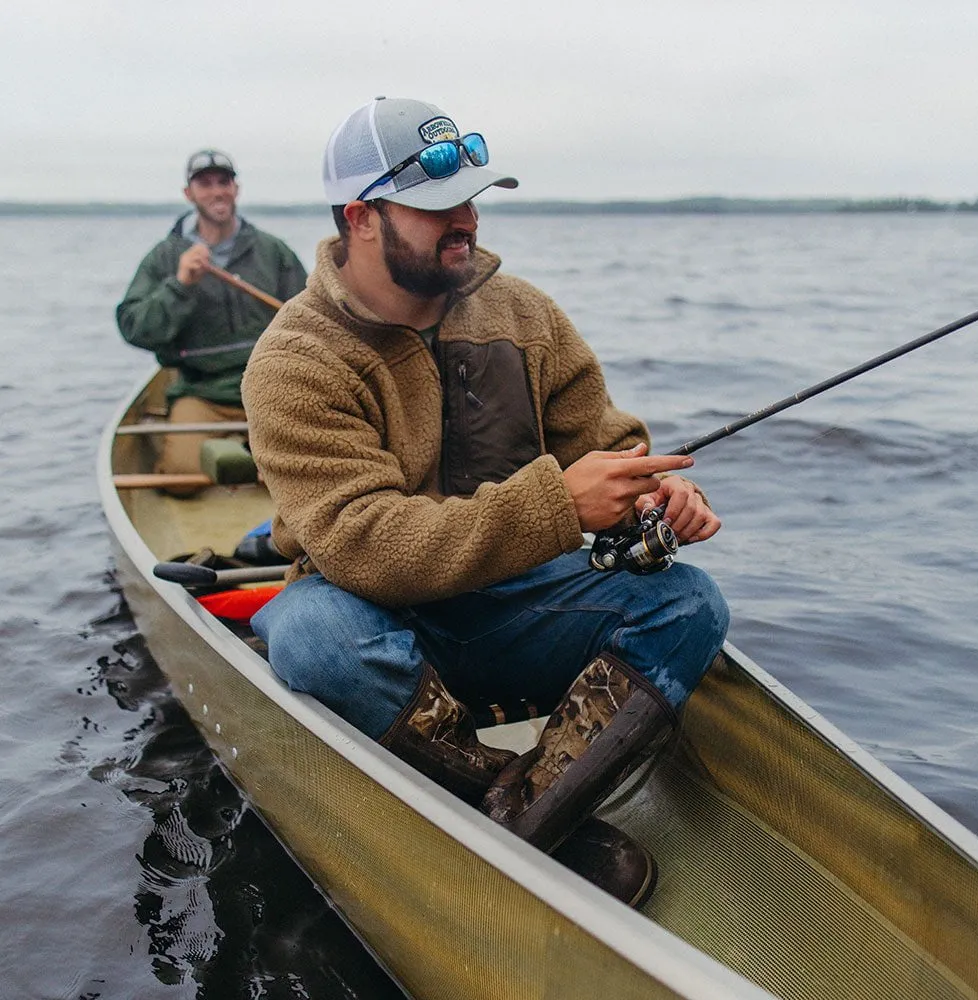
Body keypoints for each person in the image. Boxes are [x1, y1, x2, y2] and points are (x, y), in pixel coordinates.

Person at [241, 97, 730, 908]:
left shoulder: (526, 314)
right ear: (361, 217)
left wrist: (660, 498)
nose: (465, 219)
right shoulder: (293, 360)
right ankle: (488, 796)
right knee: (313, 637)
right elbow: (365, 546)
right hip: (383, 618)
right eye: (438, 207)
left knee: (689, 606)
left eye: (471, 198)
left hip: (518, 607)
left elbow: (607, 448)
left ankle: (525, 814)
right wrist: (559, 507)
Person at [116, 149, 308, 495]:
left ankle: (249, 449)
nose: (216, 191)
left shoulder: (272, 251)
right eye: (205, 184)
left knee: (304, 472)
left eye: (224, 182)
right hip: (201, 392)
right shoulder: (164, 257)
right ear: (188, 194)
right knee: (180, 482)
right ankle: (219, 447)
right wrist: (180, 285)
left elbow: (309, 318)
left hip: (269, 390)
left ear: (236, 189)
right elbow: (135, 328)